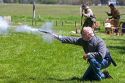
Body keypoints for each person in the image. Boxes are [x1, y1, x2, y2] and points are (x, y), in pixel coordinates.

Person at [46, 27, 116, 81]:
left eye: (83, 34)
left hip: (105, 60)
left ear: (88, 35)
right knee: (86, 78)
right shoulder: (83, 40)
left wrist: (88, 55)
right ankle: (105, 75)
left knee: (92, 61)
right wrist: (57, 37)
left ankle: (100, 77)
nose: (81, 35)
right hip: (95, 61)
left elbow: (101, 55)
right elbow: (72, 39)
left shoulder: (100, 42)